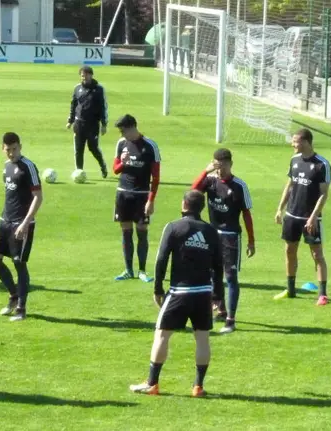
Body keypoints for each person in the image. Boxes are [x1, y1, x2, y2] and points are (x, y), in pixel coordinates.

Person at [129, 190, 223, 397]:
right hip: (203, 293)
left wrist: (158, 289)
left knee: (162, 335)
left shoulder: (173, 227)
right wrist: (218, 296)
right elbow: (218, 266)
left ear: (183, 204)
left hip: (179, 292)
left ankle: (152, 383)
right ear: (202, 208)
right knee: (202, 338)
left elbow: (162, 259)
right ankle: (198, 386)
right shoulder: (210, 231)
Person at [192, 148, 255, 333]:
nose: (219, 170)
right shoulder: (210, 181)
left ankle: (231, 320)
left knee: (231, 277)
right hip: (212, 234)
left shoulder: (239, 186)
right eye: (217, 165)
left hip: (230, 237)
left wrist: (251, 241)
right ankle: (220, 309)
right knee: (213, 274)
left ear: (230, 164)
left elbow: (247, 214)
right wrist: (206, 171)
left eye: (222, 165)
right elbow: (193, 192)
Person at [0, 132, 43, 322]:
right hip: (4, 221)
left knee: (19, 264)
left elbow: (38, 197)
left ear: (20, 146)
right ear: (2, 148)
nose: (11, 153)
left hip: (22, 224)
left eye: (14, 149)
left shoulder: (28, 167)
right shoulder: (6, 167)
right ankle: (13, 295)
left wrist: (26, 223)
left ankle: (21, 308)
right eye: (7, 150)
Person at [273, 128, 331, 305]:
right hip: (292, 215)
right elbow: (290, 185)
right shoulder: (294, 160)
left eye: (296, 141)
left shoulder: (322, 164)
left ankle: (322, 294)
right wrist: (280, 209)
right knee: (289, 250)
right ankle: (290, 290)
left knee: (317, 254)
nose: (292, 144)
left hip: (310, 218)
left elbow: (324, 194)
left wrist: (313, 217)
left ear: (306, 142)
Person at [112, 114, 161, 283]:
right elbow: (115, 170)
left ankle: (142, 270)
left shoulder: (150, 146)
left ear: (133, 127)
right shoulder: (121, 144)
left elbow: (155, 177)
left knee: (142, 232)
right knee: (126, 232)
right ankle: (128, 269)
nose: (122, 134)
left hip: (141, 196)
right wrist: (123, 162)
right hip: (123, 193)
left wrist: (151, 199)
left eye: (123, 130)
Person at [66, 66, 108, 178]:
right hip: (79, 124)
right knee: (78, 149)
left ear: (91, 75)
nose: (83, 78)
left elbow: (103, 107)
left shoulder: (99, 89)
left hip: (93, 124)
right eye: (82, 76)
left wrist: (104, 124)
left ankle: (103, 165)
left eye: (85, 75)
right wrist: (70, 120)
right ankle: (79, 172)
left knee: (93, 148)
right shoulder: (77, 88)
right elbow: (73, 105)